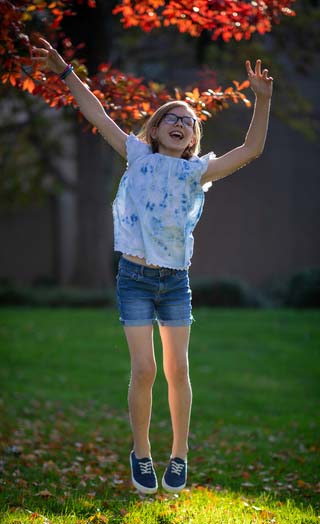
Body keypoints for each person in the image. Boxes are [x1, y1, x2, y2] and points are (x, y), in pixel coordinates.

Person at [31, 38, 273, 494]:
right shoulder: (136, 154)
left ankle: (179, 454)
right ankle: (141, 452)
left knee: (177, 371)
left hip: (174, 283)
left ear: (194, 138)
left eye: (189, 121)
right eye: (172, 117)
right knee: (144, 370)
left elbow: (252, 149)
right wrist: (64, 71)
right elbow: (96, 112)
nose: (181, 123)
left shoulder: (196, 172)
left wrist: (262, 100)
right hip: (135, 279)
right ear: (157, 127)